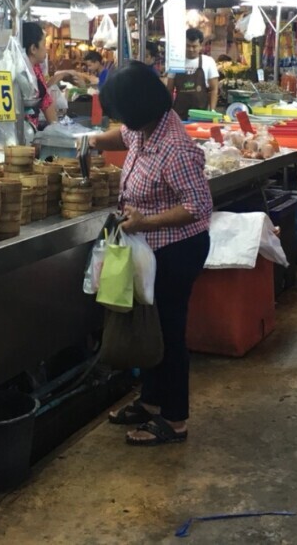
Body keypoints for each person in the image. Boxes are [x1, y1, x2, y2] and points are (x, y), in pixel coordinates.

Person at [91, 62, 213, 446]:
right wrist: (91, 141)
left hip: (177, 249)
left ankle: (174, 419)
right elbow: (122, 137)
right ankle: (150, 401)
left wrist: (146, 222)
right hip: (152, 246)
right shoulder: (146, 128)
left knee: (169, 334)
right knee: (149, 324)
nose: (117, 118)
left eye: (119, 109)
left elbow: (198, 206)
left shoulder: (175, 147)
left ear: (137, 107)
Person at [17, 21, 72, 129]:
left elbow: (45, 100)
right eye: (44, 44)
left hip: (32, 131)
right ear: (33, 49)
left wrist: (57, 130)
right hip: (19, 131)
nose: (46, 49)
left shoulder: (36, 68)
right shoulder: (18, 71)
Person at [166, 27, 219, 118]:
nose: (191, 49)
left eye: (194, 46)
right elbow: (169, 89)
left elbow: (214, 89)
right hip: (179, 114)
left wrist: (212, 111)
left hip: (202, 115)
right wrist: (168, 110)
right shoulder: (176, 62)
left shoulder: (208, 62)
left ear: (200, 46)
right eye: (187, 45)